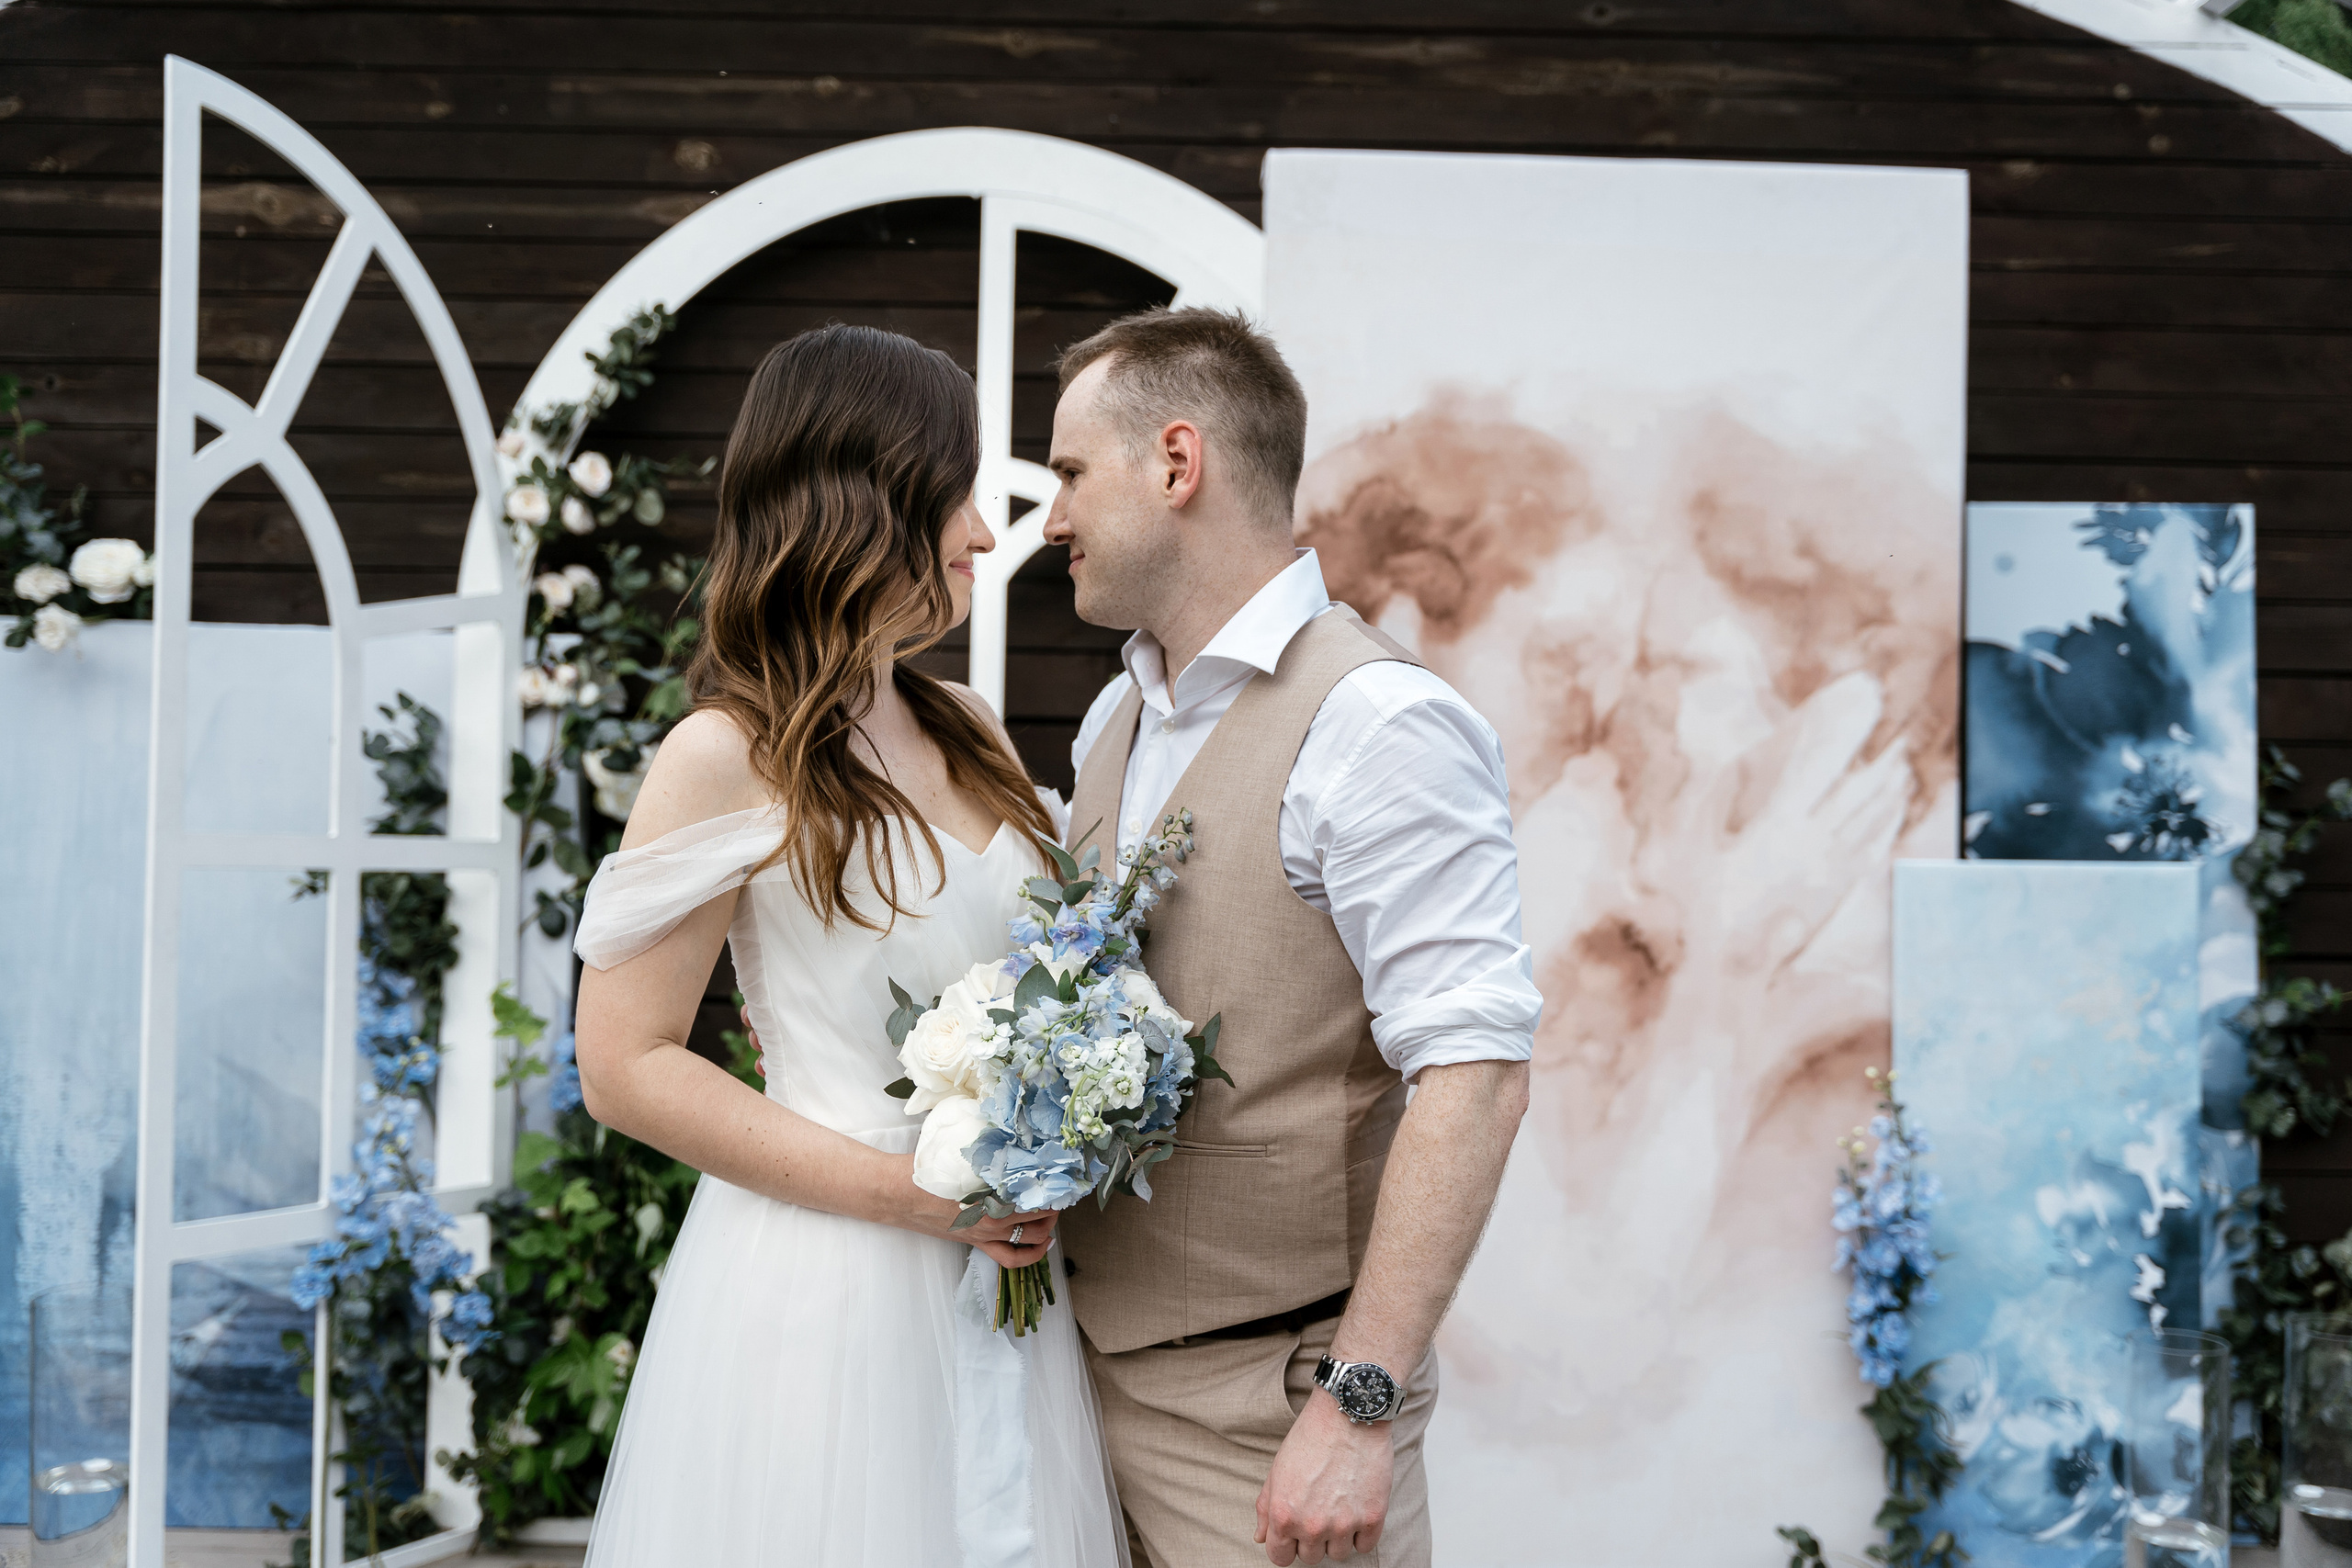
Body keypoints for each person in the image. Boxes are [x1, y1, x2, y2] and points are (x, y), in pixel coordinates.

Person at [567, 324, 1128, 1567]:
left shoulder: (966, 723)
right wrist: (914, 1196)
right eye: (959, 494)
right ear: (864, 499)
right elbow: (624, 1064)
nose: (986, 533)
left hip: (1003, 1286)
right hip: (829, 1296)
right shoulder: (726, 754)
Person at [1041, 307, 1540, 1568]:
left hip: (1269, 1428)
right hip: (1069, 1398)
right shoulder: (1116, 715)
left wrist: (1356, 1405)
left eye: (1067, 474)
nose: (1049, 521)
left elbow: (1475, 1079)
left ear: (1175, 462)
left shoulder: (1378, 725)